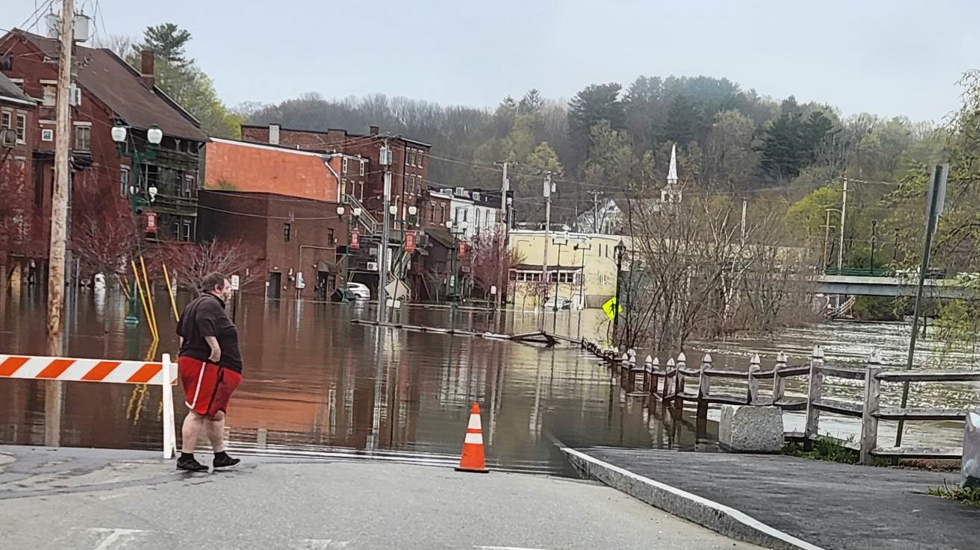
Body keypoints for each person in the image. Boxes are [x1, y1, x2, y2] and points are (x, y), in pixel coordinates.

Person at [175, 272, 243, 472]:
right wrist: (214, 348)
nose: (230, 291)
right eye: (228, 288)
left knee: (216, 413)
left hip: (202, 363)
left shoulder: (194, 305)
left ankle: (220, 455)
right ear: (217, 289)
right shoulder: (208, 305)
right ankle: (186, 457)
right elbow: (204, 323)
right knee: (198, 411)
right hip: (204, 364)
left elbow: (181, 333)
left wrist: (183, 351)